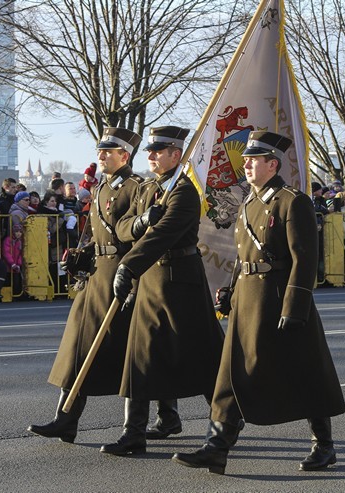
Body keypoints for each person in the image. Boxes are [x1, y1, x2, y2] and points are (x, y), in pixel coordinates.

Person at [172, 131, 345, 475]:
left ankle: (323, 445)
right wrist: (231, 290)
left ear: (273, 164)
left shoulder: (292, 201)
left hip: (278, 298)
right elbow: (243, 256)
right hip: (248, 300)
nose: (247, 165)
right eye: (246, 160)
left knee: (305, 371)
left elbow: (304, 258)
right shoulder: (249, 202)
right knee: (231, 374)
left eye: (254, 160)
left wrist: (295, 306)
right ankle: (216, 446)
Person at [28, 128, 167, 445]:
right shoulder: (102, 188)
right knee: (77, 350)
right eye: (100, 151)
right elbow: (94, 235)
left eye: (108, 151)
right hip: (95, 279)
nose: (101, 155)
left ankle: (137, 430)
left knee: (134, 357)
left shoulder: (138, 188)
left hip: (123, 278)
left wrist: (132, 276)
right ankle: (65, 419)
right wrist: (80, 257)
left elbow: (143, 237)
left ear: (124, 156)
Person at [101, 126, 224, 456]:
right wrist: (141, 221)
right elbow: (123, 227)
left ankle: (227, 422)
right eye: (150, 152)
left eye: (159, 151)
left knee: (206, 358)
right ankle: (133, 433)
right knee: (140, 356)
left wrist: (128, 266)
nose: (152, 156)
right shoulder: (147, 188)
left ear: (177, 155)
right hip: (150, 283)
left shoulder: (184, 192)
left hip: (179, 281)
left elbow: (164, 235)